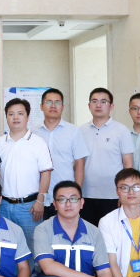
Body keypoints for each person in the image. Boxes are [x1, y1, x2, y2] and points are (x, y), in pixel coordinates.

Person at [0, 98, 53, 277]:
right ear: (6, 117)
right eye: (11, 113)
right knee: (7, 248)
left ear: (28, 117)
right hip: (3, 205)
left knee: (31, 249)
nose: (16, 117)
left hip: (30, 205)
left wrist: (40, 200)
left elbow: (46, 173)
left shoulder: (37, 142)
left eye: (20, 113)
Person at [31, 88, 89, 220]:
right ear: (41, 106)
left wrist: (76, 195)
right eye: (49, 102)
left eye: (57, 102)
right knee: (41, 231)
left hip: (65, 197)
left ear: (62, 107)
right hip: (38, 197)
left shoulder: (73, 131)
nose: (53, 106)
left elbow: (80, 165)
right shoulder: (32, 132)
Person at [79, 88, 134, 226]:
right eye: (94, 101)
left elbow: (128, 165)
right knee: (90, 234)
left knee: (112, 233)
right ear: (89, 105)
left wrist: (125, 192)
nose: (98, 105)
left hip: (113, 194)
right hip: (86, 194)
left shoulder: (121, 130)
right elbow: (78, 164)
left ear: (111, 106)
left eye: (103, 102)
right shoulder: (80, 131)